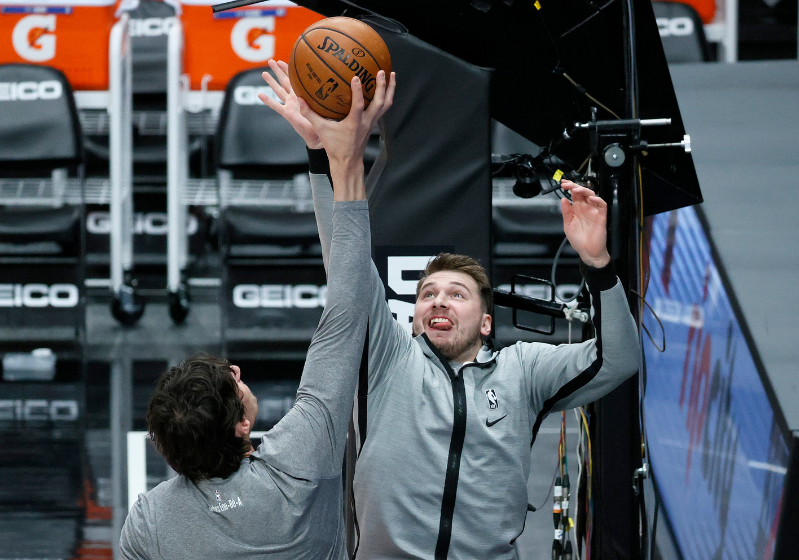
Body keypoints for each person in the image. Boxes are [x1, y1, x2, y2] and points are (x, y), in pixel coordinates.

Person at [261, 60, 640, 559]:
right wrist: (319, 157)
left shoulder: (522, 371)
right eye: (427, 294)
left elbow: (619, 359)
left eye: (456, 293)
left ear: (487, 322)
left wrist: (596, 263)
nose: (437, 299)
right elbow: (347, 265)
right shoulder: (389, 359)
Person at [118, 68, 396, 559]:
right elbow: (349, 305)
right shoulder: (302, 457)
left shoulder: (149, 521)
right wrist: (338, 159)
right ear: (240, 427)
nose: (236, 370)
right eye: (231, 380)